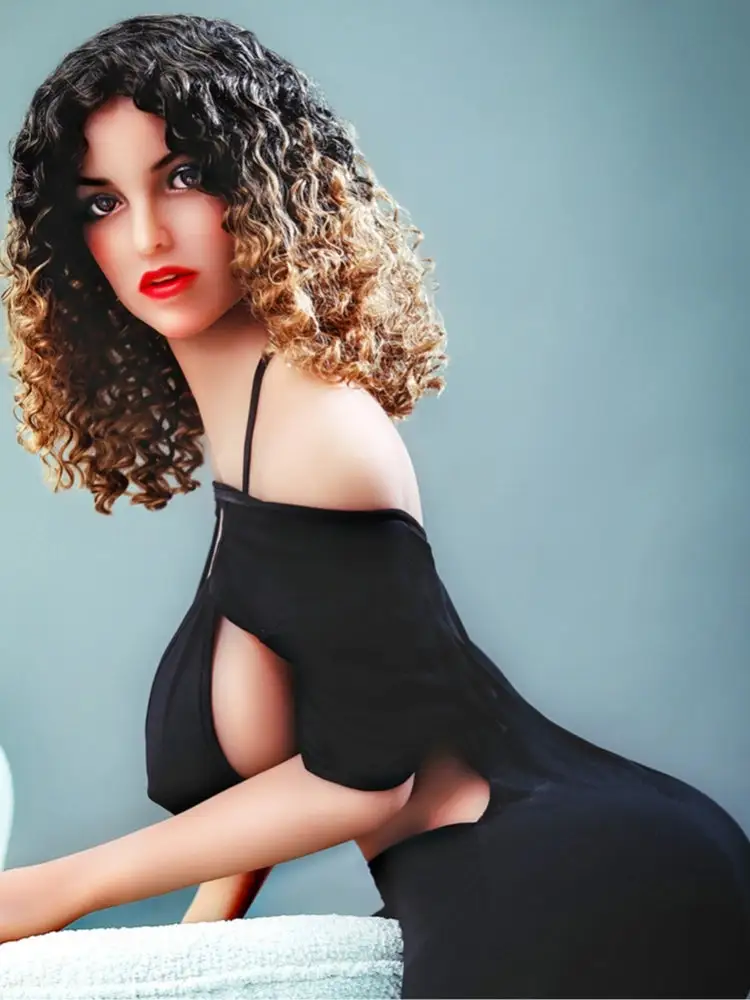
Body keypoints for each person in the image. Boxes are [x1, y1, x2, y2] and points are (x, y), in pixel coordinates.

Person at [1, 14, 748, 998]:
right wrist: (175, 960)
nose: (146, 235)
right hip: (498, 879)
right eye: (102, 201)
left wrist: (51, 891)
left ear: (262, 186)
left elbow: (365, 778)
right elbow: (288, 766)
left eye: (183, 176)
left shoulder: (319, 435)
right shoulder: (256, 436)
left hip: (572, 880)